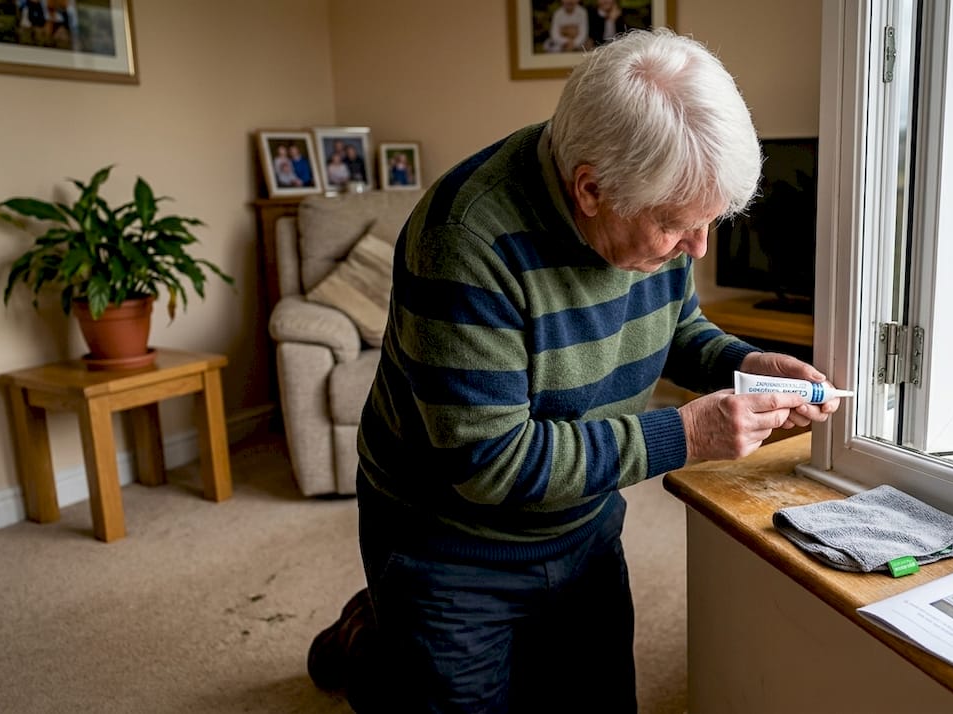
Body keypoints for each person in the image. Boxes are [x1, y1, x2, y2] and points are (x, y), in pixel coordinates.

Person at [307, 28, 841, 712]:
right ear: (590, 189)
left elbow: (675, 326)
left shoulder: (651, 195)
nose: (697, 248)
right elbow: (492, 462)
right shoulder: (465, 239)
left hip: (584, 523)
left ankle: (377, 632)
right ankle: (368, 638)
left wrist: (741, 363)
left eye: (710, 225)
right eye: (678, 227)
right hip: (449, 546)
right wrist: (683, 436)